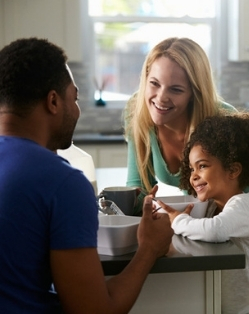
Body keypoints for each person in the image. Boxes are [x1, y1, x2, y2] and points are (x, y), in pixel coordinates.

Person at [0, 37, 173, 314]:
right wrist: (149, 249)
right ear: (53, 101)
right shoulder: (62, 183)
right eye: (75, 98)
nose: (77, 109)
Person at [124, 37, 249, 313]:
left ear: (195, 92)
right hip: (219, 217)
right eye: (154, 83)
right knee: (226, 300)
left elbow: (237, 189)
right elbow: (139, 187)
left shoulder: (219, 120)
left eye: (176, 89)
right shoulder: (138, 111)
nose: (160, 97)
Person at [157, 112, 249, 313]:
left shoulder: (244, 206)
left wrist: (178, 220)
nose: (193, 176)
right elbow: (197, 228)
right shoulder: (213, 206)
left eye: (202, 166)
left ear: (233, 171)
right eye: (191, 169)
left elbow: (214, 231)